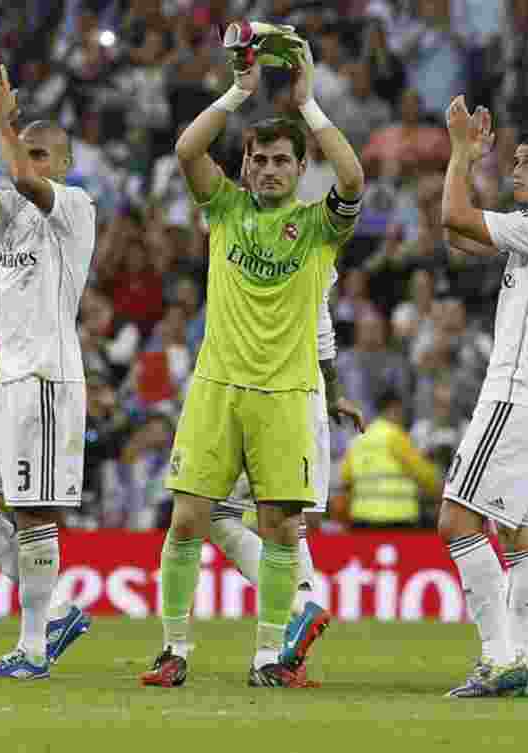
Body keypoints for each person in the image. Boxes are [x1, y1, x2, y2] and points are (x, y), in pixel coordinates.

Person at [140, 34, 364, 689]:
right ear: (246, 165)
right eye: (259, 159)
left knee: (278, 527)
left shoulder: (321, 227)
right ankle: (173, 648)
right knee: (187, 518)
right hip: (216, 387)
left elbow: (352, 178)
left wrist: (309, 105)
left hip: (286, 394)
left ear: (299, 170)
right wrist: (237, 92)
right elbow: (186, 149)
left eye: (280, 161)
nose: (268, 169)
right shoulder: (226, 208)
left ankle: (268, 656)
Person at [0, 62, 96, 679]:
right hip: (9, 383)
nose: (27, 159)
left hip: (48, 379)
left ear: (62, 163)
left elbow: (24, 178)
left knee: (33, 513)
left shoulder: (74, 207)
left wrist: (5, 125)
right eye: (24, 148)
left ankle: (32, 650)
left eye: (40, 152)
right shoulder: (8, 212)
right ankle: (56, 610)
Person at [438, 97, 528, 698]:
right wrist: (469, 170)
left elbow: (454, 214)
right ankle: (517, 662)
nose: (516, 172)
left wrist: (457, 153)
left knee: (455, 519)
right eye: (515, 162)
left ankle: (498, 659)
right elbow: (457, 236)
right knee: (523, 538)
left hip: (512, 398)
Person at [208, 249, 365, 677]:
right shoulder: (314, 241)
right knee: (287, 526)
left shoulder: (248, 240)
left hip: (267, 393)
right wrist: (333, 393)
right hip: (307, 395)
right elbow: (323, 324)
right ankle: (289, 636)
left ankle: (299, 607)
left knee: (216, 514)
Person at [341, 389, 439, 528]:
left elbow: (345, 477)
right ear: (394, 407)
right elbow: (422, 473)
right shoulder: (395, 436)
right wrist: (439, 491)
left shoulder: (359, 438)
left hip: (361, 519)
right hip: (397, 518)